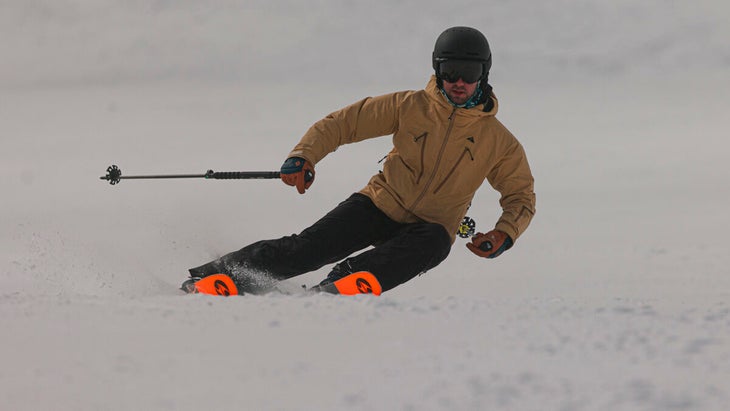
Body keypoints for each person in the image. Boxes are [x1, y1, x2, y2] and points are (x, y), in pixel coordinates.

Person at [183, 26, 536, 296]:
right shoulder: (409, 106)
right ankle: (219, 276)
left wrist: (504, 233)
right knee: (307, 249)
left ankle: (341, 284)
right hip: (379, 204)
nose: (459, 81)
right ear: (438, 69)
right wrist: (304, 155)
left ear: (483, 74)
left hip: (430, 227)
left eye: (469, 72)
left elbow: (521, 196)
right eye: (450, 70)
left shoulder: (498, 141)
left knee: (434, 242)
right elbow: (342, 124)